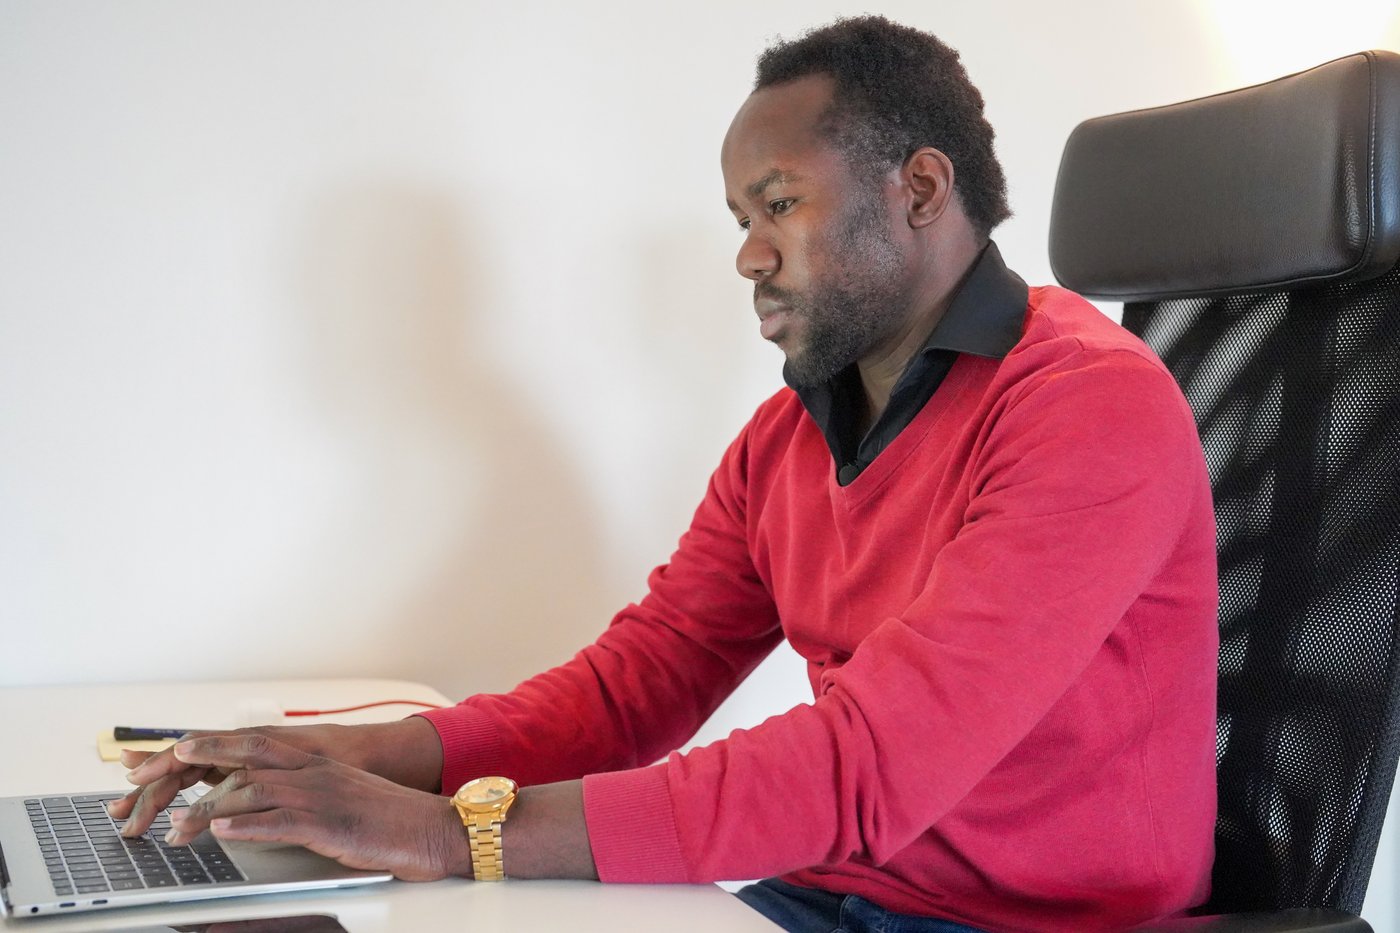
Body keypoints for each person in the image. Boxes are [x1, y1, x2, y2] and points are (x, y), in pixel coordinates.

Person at [112, 16, 1219, 933]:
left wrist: (449, 830)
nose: (745, 253)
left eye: (778, 204)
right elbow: (633, 690)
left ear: (918, 189)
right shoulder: (783, 441)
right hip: (830, 897)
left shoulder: (1084, 405)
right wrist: (365, 762)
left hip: (1030, 925)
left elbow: (864, 766)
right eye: (740, 219)